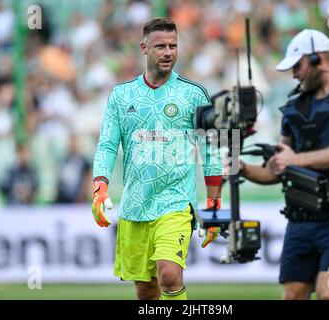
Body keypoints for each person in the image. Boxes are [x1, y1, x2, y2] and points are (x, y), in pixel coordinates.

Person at [239, 29, 329, 300]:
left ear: (317, 58)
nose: (294, 74)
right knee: (293, 295)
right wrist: (243, 168)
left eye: (297, 66)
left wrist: (295, 159)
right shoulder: (294, 104)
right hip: (301, 218)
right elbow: (278, 168)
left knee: (328, 294)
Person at [91, 18, 222, 300]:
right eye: (160, 46)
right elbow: (107, 145)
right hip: (135, 205)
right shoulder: (120, 95)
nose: (167, 52)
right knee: (145, 289)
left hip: (175, 202)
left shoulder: (193, 94)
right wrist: (100, 184)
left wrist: (214, 205)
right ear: (144, 48)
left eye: (173, 46)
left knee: (170, 276)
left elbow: (211, 149)